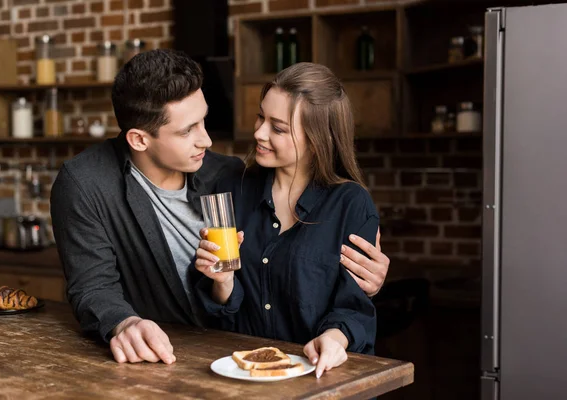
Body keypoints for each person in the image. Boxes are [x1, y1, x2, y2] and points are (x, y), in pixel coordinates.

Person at [50, 49, 390, 365]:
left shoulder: (228, 175)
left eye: (204, 121)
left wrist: (362, 291)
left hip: (280, 365)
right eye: (188, 130)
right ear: (139, 139)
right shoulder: (86, 183)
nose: (207, 140)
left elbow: (341, 293)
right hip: (183, 361)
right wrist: (124, 323)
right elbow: (92, 285)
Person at [195, 62, 380, 378]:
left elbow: (354, 307)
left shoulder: (351, 204)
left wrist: (334, 338)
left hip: (321, 378)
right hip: (244, 379)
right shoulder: (232, 188)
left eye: (278, 128)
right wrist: (222, 281)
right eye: (260, 117)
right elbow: (221, 312)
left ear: (319, 138)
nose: (259, 133)